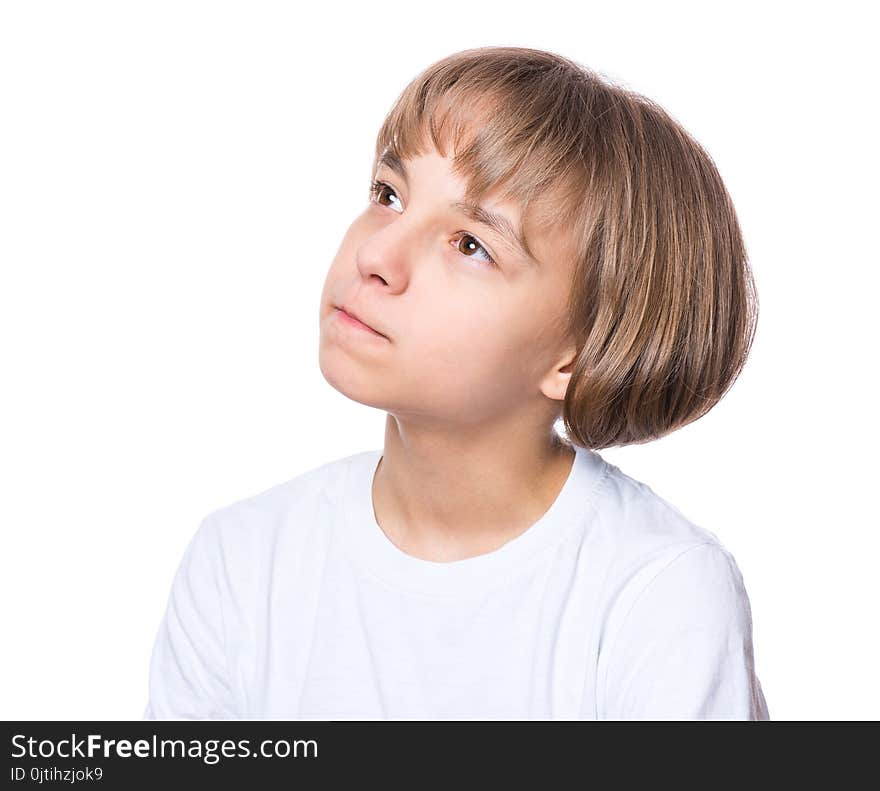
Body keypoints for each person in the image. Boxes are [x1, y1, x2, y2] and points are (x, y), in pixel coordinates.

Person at [143, 46, 769, 720]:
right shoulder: (241, 563)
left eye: (471, 244)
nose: (375, 256)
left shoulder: (658, 593)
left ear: (579, 354)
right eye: (389, 195)